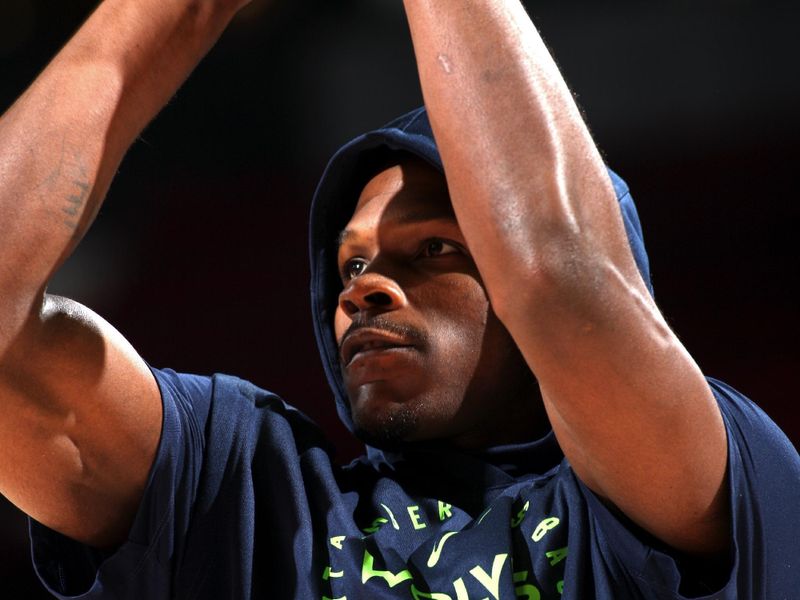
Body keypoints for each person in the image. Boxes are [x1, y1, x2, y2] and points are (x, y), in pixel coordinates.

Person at [0, 0, 797, 598]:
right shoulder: (248, 486)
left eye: (436, 250)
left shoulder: (703, 476)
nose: (366, 290)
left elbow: (562, 280)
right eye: (349, 267)